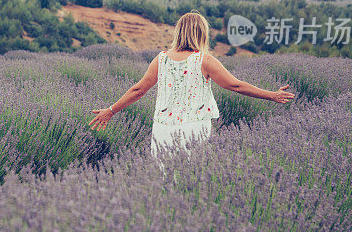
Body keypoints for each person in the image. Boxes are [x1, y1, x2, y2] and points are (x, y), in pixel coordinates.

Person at [88, 11, 295, 158]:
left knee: (164, 178)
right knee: (191, 176)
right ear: (202, 33)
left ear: (178, 32)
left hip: (163, 128)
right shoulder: (204, 60)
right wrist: (271, 95)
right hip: (194, 127)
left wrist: (111, 110)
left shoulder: (161, 59)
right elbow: (235, 86)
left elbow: (138, 90)